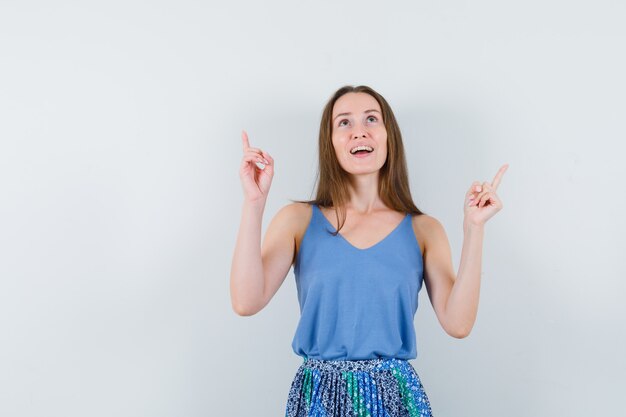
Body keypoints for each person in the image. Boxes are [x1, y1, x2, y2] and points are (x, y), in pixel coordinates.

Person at [230, 85, 508, 416]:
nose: (359, 131)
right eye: (344, 123)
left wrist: (474, 228)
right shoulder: (297, 221)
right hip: (318, 398)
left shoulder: (424, 229)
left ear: (389, 136)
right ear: (330, 142)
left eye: (371, 119)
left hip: (396, 398)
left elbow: (458, 324)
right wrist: (254, 203)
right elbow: (246, 302)